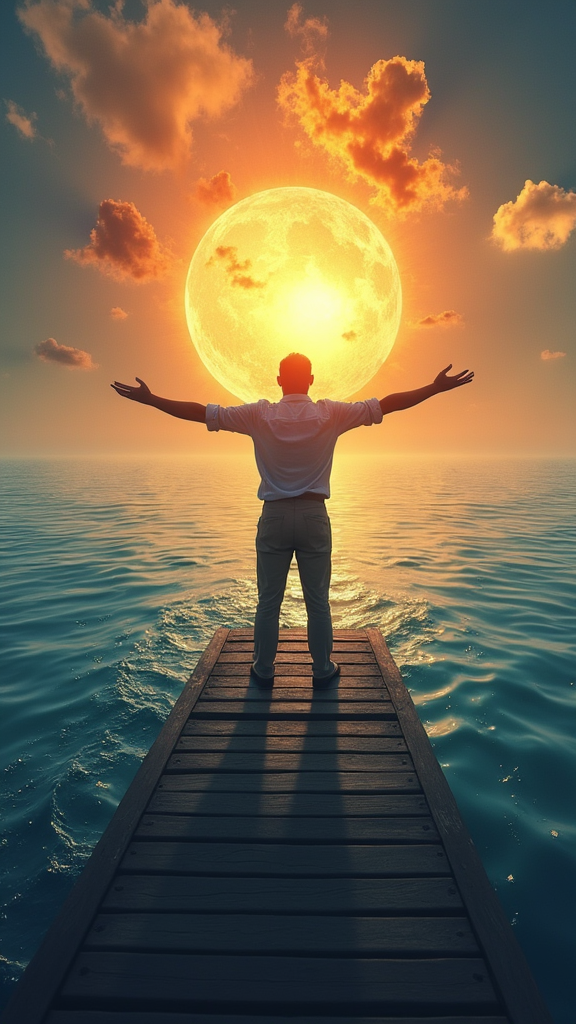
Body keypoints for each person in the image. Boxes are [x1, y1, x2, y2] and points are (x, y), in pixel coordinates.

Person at [112, 354, 473, 687]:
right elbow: (387, 404)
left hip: (274, 517)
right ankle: (322, 669)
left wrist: (153, 399)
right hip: (315, 516)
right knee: (318, 601)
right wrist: (434, 388)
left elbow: (202, 412)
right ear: (311, 380)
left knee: (268, 601)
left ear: (280, 380)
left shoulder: (259, 414)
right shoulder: (331, 413)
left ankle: (264, 670)